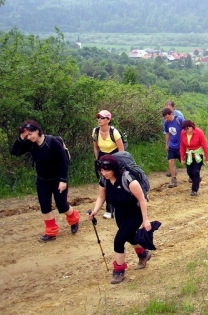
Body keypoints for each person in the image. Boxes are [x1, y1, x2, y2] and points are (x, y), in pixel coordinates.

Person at [10, 120, 80, 242]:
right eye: (27, 135)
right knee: (45, 206)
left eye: (31, 133)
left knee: (62, 206)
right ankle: (51, 232)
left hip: (58, 179)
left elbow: (64, 161)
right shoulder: (30, 143)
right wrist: (21, 138)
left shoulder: (52, 142)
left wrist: (63, 180)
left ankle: (74, 218)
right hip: (42, 180)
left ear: (38, 130)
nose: (30, 137)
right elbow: (14, 152)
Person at [88, 155, 152, 284]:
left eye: (107, 170)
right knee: (128, 237)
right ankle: (143, 254)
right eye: (102, 170)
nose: (104, 173)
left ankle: (119, 271)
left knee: (119, 240)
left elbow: (142, 200)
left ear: (114, 169)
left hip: (135, 213)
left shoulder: (128, 180)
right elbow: (101, 197)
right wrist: (95, 211)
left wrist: (145, 220)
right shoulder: (104, 180)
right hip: (120, 213)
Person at [92, 110, 125, 219]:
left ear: (108, 120)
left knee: (115, 182)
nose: (99, 120)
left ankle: (115, 208)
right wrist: (98, 161)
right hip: (103, 157)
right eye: (98, 117)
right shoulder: (95, 132)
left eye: (102, 118)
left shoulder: (114, 132)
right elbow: (96, 147)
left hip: (115, 157)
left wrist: (118, 164)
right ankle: (109, 210)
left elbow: (121, 150)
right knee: (105, 182)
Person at [179, 120, 208, 196]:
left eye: (188, 129)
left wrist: (207, 158)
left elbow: (205, 146)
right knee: (189, 172)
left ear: (192, 127)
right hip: (189, 155)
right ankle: (197, 180)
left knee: (195, 172)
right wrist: (182, 157)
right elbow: (182, 145)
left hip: (198, 155)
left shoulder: (199, 132)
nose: (186, 131)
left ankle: (194, 189)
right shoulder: (183, 133)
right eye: (185, 129)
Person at [162, 107, 184, 189]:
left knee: (184, 161)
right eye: (165, 118)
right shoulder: (166, 123)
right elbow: (167, 133)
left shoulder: (179, 120)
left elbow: (186, 130)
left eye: (167, 117)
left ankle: (192, 176)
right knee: (170, 161)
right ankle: (173, 179)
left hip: (181, 146)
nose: (166, 119)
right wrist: (166, 144)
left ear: (171, 114)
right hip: (172, 145)